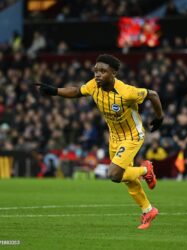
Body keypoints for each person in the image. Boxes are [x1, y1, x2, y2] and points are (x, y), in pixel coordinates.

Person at [35, 54, 164, 230]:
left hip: (132, 135)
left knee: (114, 174)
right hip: (115, 137)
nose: (97, 74)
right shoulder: (94, 86)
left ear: (114, 73)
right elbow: (76, 91)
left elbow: (153, 94)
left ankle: (145, 169)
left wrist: (159, 117)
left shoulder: (127, 92)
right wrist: (54, 90)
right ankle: (148, 210)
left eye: (102, 71)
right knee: (126, 178)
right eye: (96, 70)